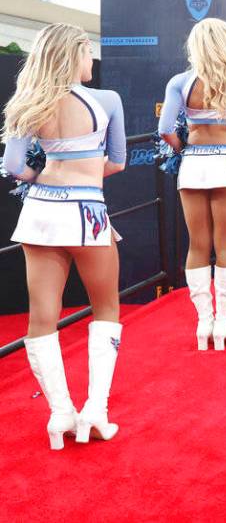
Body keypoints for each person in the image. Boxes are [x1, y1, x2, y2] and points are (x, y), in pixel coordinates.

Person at [1, 23, 126, 449]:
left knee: (41, 317)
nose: (91, 60)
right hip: (88, 212)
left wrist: (43, 176)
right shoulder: (107, 100)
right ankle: (96, 411)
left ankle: (60, 415)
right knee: (106, 307)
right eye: (87, 52)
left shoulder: (28, 102)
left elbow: (15, 166)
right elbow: (119, 162)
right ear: (73, 54)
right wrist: (86, 174)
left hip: (40, 213)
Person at [158, 18, 226, 351]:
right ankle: (224, 324)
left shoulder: (181, 82)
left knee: (197, 244)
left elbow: (165, 129)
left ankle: (204, 324)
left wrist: (183, 148)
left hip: (193, 166)